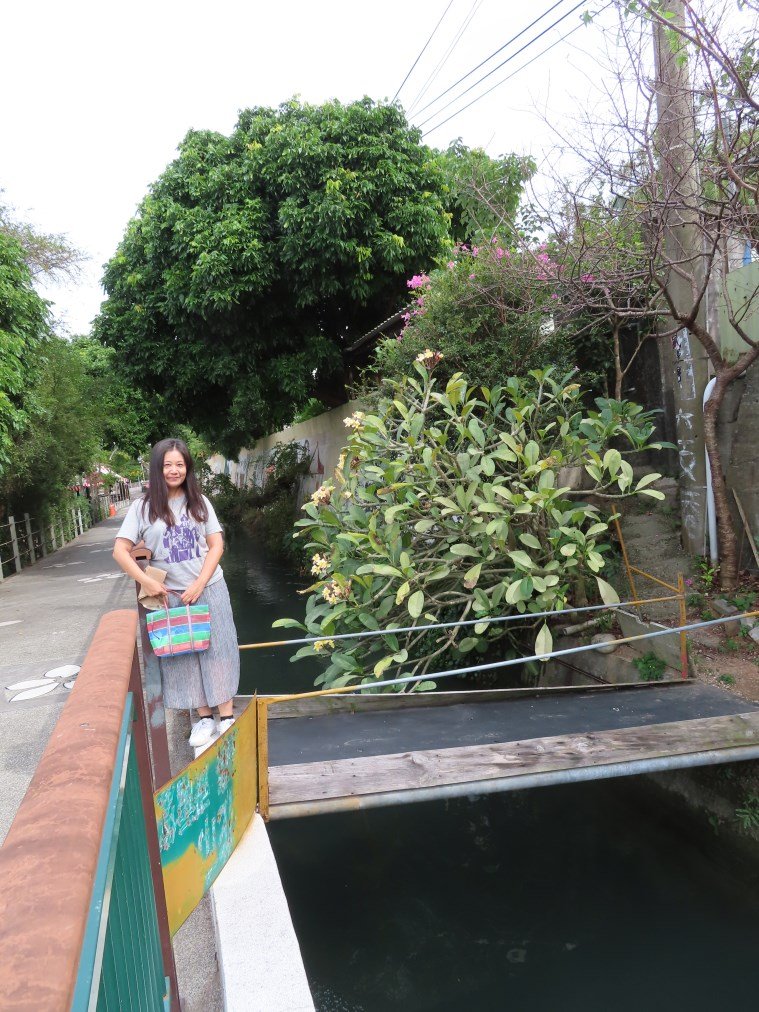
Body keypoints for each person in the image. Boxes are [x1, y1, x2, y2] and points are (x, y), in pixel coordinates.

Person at [113, 438, 240, 749]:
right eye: (167, 464)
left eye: (180, 464)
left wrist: (200, 583)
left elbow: (216, 545)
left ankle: (226, 717)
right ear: (157, 469)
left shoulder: (200, 502)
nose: (174, 470)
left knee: (219, 650)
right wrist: (146, 581)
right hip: (171, 596)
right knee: (183, 654)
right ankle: (204, 717)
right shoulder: (143, 508)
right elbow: (120, 551)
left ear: (187, 468)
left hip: (209, 588)